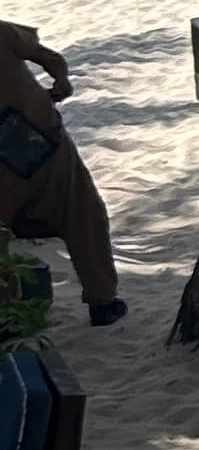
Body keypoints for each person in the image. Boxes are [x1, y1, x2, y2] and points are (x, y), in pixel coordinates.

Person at [0, 18, 124, 324]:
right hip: (44, 143)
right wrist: (62, 82)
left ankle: (10, 315)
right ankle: (102, 300)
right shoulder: (3, 33)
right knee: (82, 214)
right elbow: (50, 58)